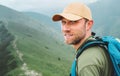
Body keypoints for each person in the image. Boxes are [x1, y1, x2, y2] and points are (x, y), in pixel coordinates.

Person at [52, 2, 114, 76]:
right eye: (63, 22)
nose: (65, 29)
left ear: (88, 24)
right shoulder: (98, 47)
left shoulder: (87, 63)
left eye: (73, 22)